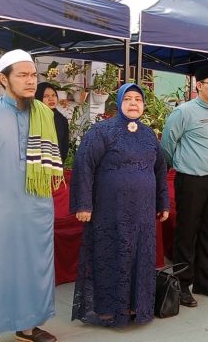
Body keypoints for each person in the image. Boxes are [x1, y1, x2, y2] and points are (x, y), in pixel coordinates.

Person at [0, 49, 62, 342]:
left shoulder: (44, 115)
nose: (31, 81)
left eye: (34, 75)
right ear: (3, 79)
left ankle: (28, 327)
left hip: (35, 206)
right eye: (23, 75)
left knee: (34, 266)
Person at [69, 83, 170, 327]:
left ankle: (136, 307)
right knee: (110, 255)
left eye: (138, 99)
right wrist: (83, 204)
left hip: (143, 213)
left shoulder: (149, 135)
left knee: (140, 256)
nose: (134, 103)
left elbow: (160, 169)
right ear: (119, 103)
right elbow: (84, 166)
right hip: (109, 210)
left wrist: (163, 202)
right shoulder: (101, 131)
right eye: (128, 99)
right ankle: (107, 310)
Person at [161, 63, 208, 307]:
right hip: (191, 181)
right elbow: (167, 146)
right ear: (198, 86)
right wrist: (183, 166)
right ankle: (181, 285)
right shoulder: (183, 112)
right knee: (186, 234)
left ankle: (203, 280)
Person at [35, 82, 69, 161]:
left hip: (55, 165)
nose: (51, 99)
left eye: (53, 95)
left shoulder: (62, 120)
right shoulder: (33, 118)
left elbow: (64, 148)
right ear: (38, 98)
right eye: (46, 96)